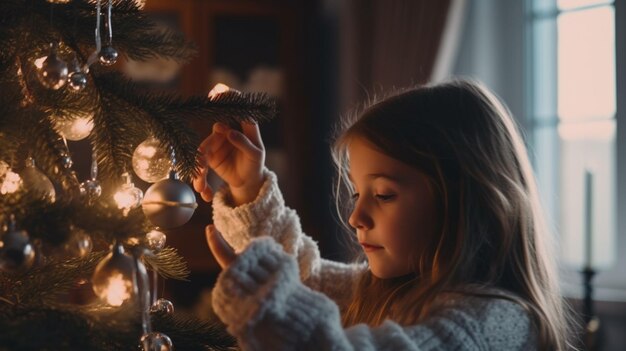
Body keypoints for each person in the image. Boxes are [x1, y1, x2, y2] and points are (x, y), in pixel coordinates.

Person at [193, 79, 570, 350]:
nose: (356, 216)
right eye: (357, 193)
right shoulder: (389, 290)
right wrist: (248, 187)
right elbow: (308, 279)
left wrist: (270, 300)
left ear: (465, 202)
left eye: (384, 194)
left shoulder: (497, 324)